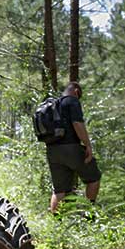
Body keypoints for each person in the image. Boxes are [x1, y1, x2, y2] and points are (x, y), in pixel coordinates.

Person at [45, 82, 102, 212]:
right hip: (71, 147)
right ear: (76, 91)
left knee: (59, 189)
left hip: (52, 150)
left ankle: (56, 221)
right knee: (94, 178)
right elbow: (77, 123)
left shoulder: (54, 105)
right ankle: (89, 214)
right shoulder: (72, 101)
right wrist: (87, 145)